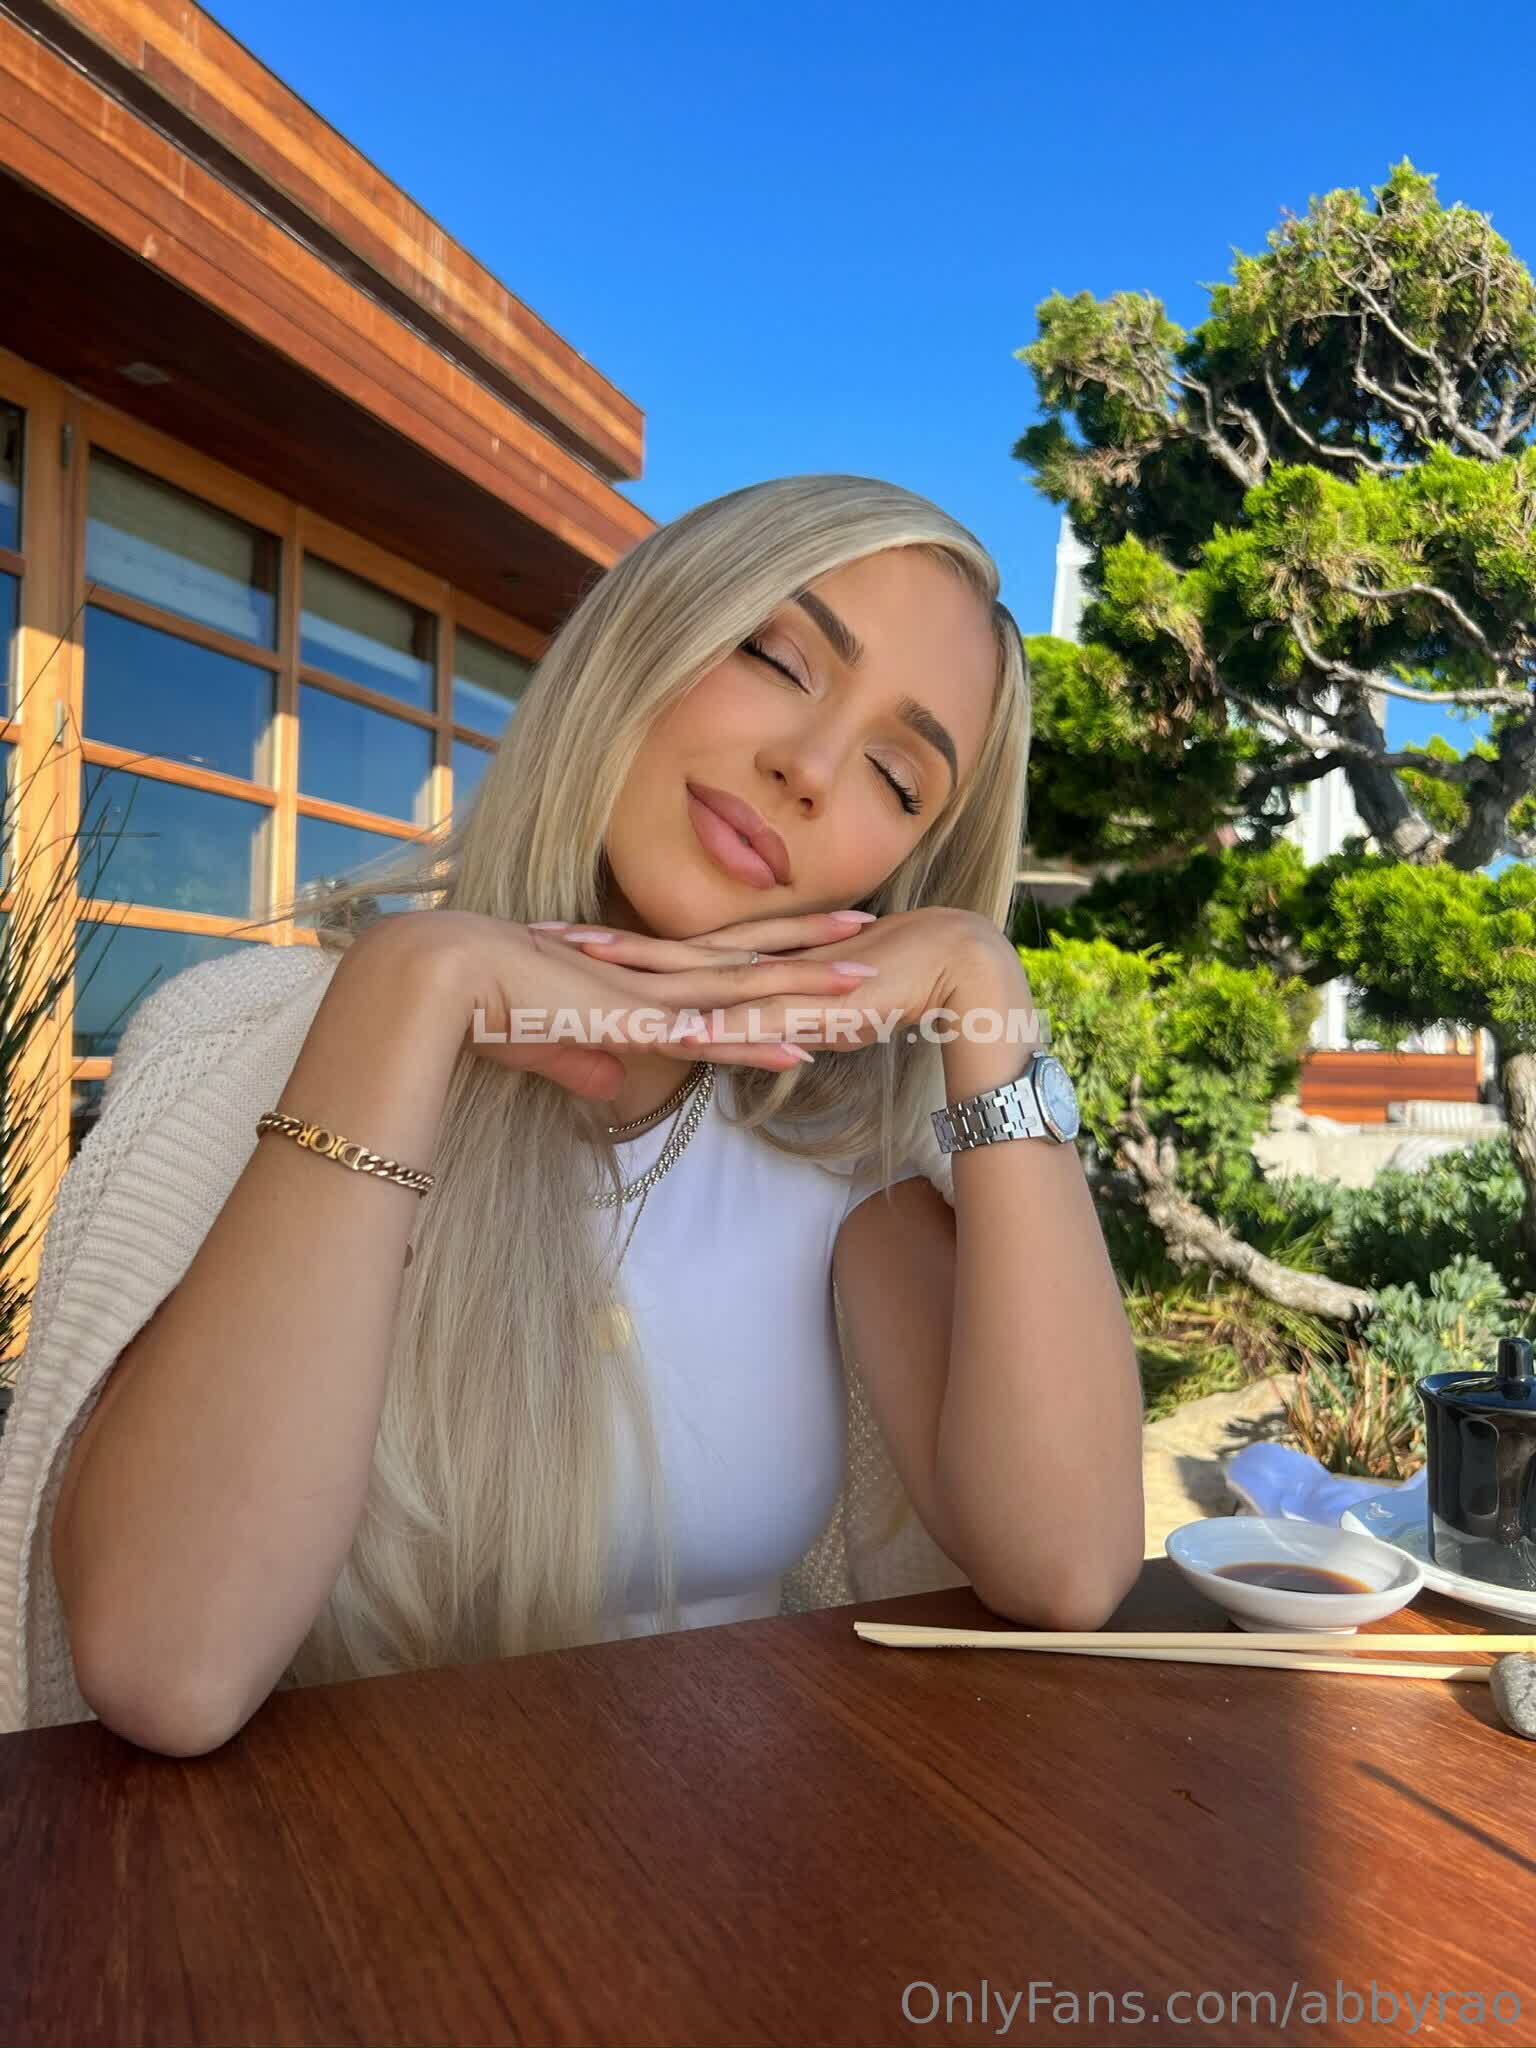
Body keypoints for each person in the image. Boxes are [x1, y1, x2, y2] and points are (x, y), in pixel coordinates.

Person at [0, 474, 1145, 1753]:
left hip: (731, 1870)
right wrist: (413, 986)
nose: (811, 769)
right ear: (646, 629)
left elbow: (1068, 1565)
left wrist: (987, 992)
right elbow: (167, 1667)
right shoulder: (250, 1037)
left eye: (896, 774)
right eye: (777, 658)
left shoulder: (832, 1147)